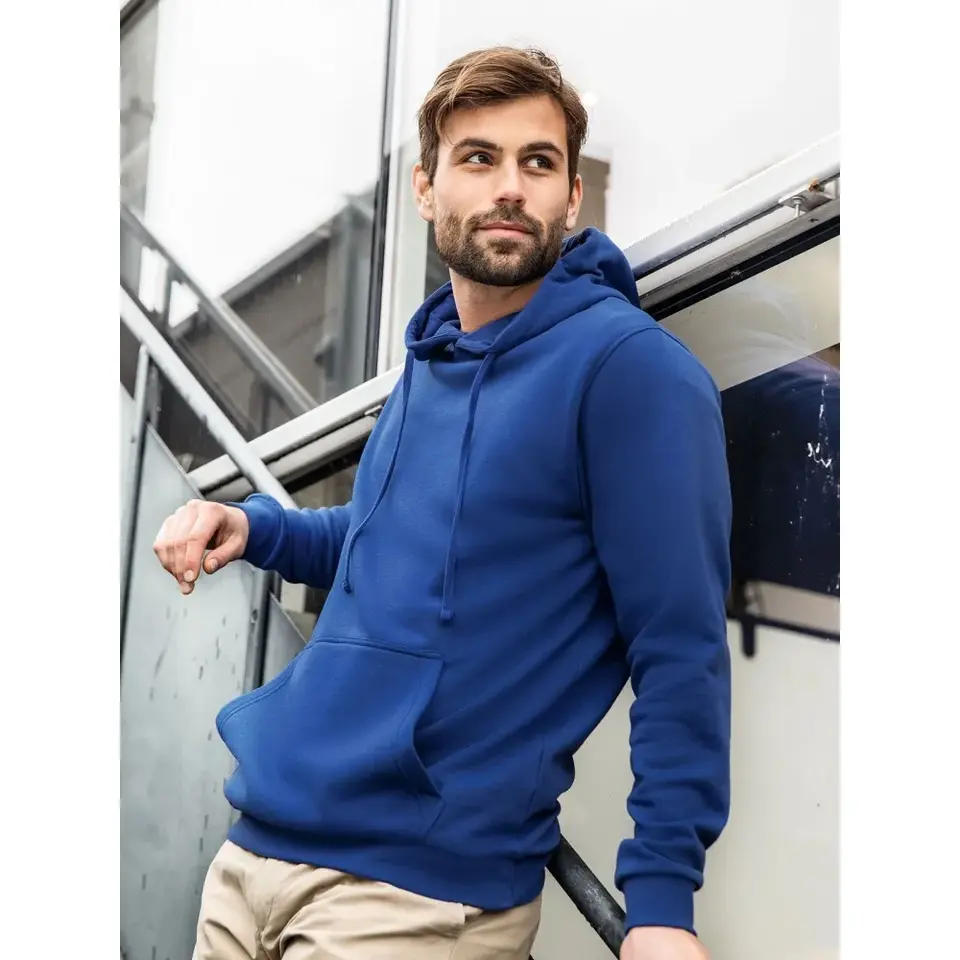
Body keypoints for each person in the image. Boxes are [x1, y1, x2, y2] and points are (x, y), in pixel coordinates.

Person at [154, 46, 732, 960]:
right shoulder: (428, 364)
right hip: (256, 852)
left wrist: (661, 903)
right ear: (426, 189)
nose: (510, 187)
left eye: (537, 162)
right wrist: (257, 528)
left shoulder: (629, 372)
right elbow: (384, 542)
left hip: (415, 900)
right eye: (478, 157)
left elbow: (681, 645)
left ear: (571, 197)